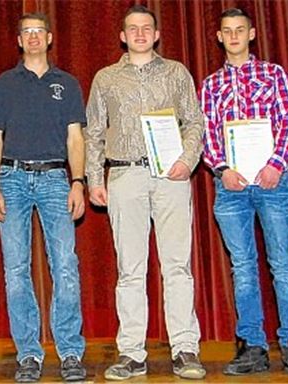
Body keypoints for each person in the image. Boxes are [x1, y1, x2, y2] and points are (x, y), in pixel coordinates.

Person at [84, 5, 205, 380]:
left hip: (170, 176)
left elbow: (195, 122)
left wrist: (187, 160)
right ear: (122, 36)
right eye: (132, 29)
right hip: (125, 175)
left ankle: (185, 349)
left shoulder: (176, 72)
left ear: (156, 35)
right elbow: (94, 132)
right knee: (130, 270)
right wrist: (93, 178)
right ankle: (132, 353)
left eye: (146, 28)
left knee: (177, 267)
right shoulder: (106, 78)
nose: (139, 34)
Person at [200, 8, 288, 377]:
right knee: (243, 267)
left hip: (272, 182)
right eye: (227, 31)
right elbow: (207, 133)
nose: (233, 36)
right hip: (230, 186)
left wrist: (276, 164)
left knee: (282, 264)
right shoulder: (211, 84)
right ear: (219, 37)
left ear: (251, 34)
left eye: (240, 30)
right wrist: (222, 168)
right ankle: (252, 345)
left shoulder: (274, 73)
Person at [0, 12, 87, 383]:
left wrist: (78, 181)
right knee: (16, 270)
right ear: (18, 40)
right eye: (26, 32)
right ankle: (28, 353)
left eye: (38, 32)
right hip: (11, 178)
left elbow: (77, 137)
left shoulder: (67, 84)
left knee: (65, 267)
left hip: (56, 179)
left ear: (50, 37)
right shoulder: (4, 84)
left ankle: (71, 351)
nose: (32, 38)